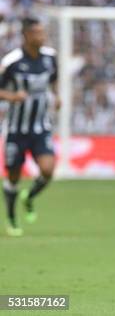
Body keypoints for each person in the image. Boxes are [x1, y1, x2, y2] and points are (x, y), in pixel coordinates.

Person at [0, 18, 60, 237]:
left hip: (40, 127)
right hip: (16, 129)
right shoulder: (12, 61)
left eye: (42, 33)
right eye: (37, 33)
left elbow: (54, 79)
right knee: (13, 176)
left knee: (48, 170)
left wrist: (57, 96)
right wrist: (12, 96)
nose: (41, 37)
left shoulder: (50, 57)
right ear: (26, 36)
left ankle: (30, 197)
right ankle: (12, 218)